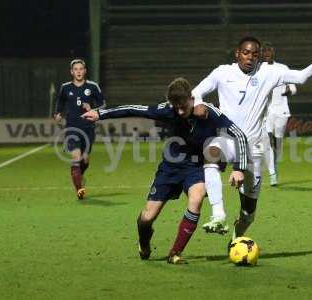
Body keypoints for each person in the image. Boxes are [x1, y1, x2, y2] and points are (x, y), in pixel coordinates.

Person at [81, 77, 248, 264]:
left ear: (192, 98)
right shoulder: (168, 110)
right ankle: (144, 241)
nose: (180, 111)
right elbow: (135, 109)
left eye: (183, 106)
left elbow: (240, 135)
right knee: (147, 218)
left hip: (196, 167)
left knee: (197, 197)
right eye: (176, 107)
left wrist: (239, 168)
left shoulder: (209, 112)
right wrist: (101, 114)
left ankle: (175, 253)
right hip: (170, 168)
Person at [192, 37, 312, 240]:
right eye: (246, 52)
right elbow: (196, 91)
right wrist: (198, 103)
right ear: (237, 53)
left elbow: (301, 77)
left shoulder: (269, 72)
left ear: (259, 56)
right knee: (211, 153)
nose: (250, 57)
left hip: (253, 148)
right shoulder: (222, 72)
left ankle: (237, 237)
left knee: (248, 213)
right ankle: (218, 214)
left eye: (255, 54)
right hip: (227, 138)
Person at [54, 59, 106, 200]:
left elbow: (103, 105)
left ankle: (79, 177)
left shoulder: (93, 86)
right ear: (71, 72)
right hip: (72, 128)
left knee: (85, 160)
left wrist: (92, 109)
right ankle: (79, 189)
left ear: (85, 71)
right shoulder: (65, 87)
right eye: (75, 69)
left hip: (88, 128)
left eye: (81, 69)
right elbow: (60, 101)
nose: (78, 71)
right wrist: (58, 113)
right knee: (76, 157)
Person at [261, 42, 297, 186]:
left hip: (281, 110)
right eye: (265, 51)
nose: (267, 54)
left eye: (270, 51)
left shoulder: (282, 68)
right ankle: (272, 174)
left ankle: (274, 167)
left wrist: (289, 91)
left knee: (278, 142)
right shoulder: (257, 70)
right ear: (262, 53)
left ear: (273, 53)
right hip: (265, 111)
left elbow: (294, 88)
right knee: (268, 141)